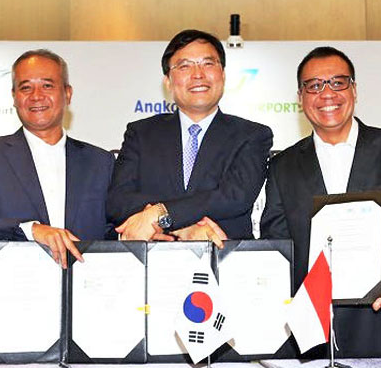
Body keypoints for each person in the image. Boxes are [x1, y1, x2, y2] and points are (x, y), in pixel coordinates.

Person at [0, 49, 115, 360]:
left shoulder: (101, 162)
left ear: (67, 93)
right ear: (14, 96)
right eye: (25, 87)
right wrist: (29, 230)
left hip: (83, 325)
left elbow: (112, 233)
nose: (36, 96)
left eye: (47, 85)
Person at [261, 46, 381, 359]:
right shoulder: (282, 166)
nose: (327, 94)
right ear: (300, 97)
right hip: (313, 341)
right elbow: (278, 247)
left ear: (354, 89)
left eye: (338, 83)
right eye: (314, 85)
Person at [107, 29, 273, 245]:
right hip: (153, 259)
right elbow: (118, 201)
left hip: (224, 258)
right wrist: (183, 228)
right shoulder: (141, 133)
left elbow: (234, 197)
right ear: (168, 81)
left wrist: (160, 213)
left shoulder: (252, 135)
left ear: (222, 75)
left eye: (207, 63)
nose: (198, 74)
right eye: (185, 66)